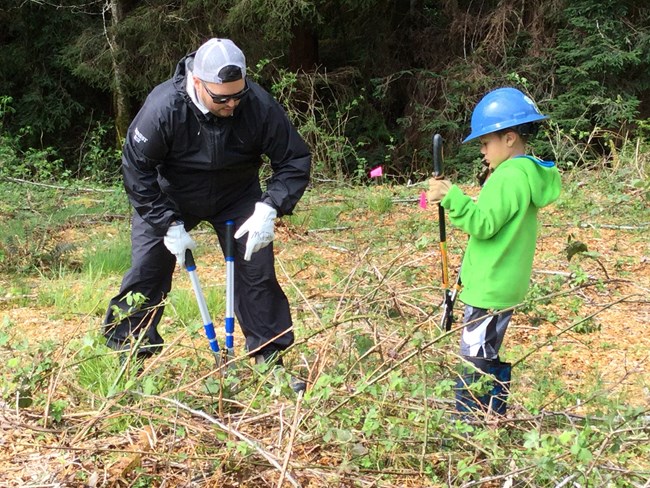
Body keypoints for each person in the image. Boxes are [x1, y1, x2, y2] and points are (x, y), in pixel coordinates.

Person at [103, 38, 311, 392]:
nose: (232, 104)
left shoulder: (257, 105)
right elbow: (136, 170)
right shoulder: (163, 108)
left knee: (257, 272)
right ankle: (128, 357)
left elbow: (293, 159)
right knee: (146, 271)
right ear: (198, 83)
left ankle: (270, 360)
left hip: (237, 195)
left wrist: (270, 206)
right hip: (171, 196)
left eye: (237, 95)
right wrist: (164, 221)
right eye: (222, 98)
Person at [427, 87, 561, 415]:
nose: (483, 150)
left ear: (510, 138)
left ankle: (471, 427)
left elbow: (483, 224)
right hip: (497, 285)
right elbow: (494, 219)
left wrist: (451, 197)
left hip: (490, 290)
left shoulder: (510, 176)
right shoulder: (523, 173)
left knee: (475, 360)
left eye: (486, 142)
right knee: (485, 354)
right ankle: (491, 418)